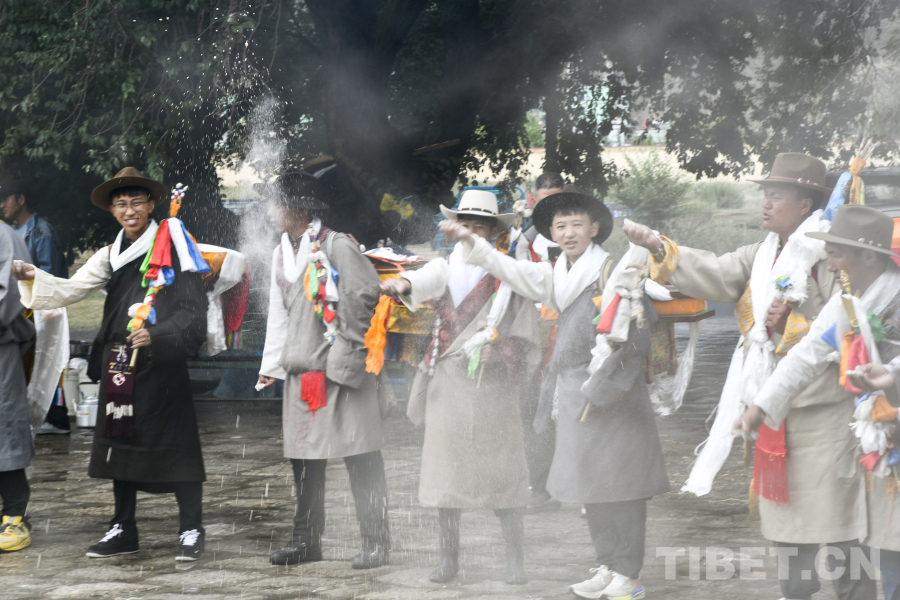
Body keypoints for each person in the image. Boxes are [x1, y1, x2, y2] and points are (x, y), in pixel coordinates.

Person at [625, 153, 874, 600]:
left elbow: (851, 324)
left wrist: (797, 322)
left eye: (776, 196)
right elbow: (718, 273)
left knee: (839, 520)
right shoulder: (761, 253)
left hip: (823, 412)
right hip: (770, 408)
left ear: (805, 204)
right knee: (786, 523)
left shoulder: (828, 256)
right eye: (765, 195)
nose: (766, 204)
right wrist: (660, 248)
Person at [441, 189, 668, 599]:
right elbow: (509, 269)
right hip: (575, 393)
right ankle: (607, 564)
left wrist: (600, 389)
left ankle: (629, 575)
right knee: (591, 485)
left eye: (577, 224)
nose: (568, 233)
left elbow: (635, 340)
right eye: (560, 226)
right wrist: (472, 241)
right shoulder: (556, 275)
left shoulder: (614, 272)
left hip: (612, 392)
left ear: (594, 228)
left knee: (623, 487)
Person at [14, 167, 209, 561]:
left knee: (176, 447)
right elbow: (73, 289)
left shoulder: (173, 246)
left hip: (160, 361)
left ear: (151, 205)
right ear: (112, 210)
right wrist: (33, 275)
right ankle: (123, 527)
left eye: (136, 202)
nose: (129, 210)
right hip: (121, 361)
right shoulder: (111, 253)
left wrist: (158, 334)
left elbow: (193, 309)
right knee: (120, 443)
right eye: (121, 204)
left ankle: (191, 528)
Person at [380, 190, 541, 585]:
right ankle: (448, 560)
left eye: (479, 227)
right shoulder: (444, 265)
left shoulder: (507, 273)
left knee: (504, 475)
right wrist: (403, 282)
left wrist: (500, 353)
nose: (470, 232)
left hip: (493, 387)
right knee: (445, 477)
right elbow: (425, 278)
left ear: (492, 232)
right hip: (448, 383)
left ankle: (515, 560)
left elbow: (526, 334)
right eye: (464, 225)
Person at [735, 204, 895, 600]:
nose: (831, 262)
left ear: (869, 257)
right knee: (885, 544)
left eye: (837, 254)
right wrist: (761, 407)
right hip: (883, 439)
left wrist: (893, 374)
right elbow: (805, 355)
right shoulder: (846, 303)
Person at [256, 172, 390, 570]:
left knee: (360, 456)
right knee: (304, 462)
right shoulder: (281, 253)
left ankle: (377, 541)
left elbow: (365, 295)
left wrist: (345, 353)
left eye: (275, 203)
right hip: (303, 371)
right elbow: (278, 313)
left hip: (341, 369)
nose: (269, 211)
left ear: (298, 209)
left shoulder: (337, 245)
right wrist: (271, 366)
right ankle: (306, 541)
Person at [0, 179, 72, 435]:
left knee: (48, 360)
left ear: (21, 200)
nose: (2, 205)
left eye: (6, 199)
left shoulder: (41, 232)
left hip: (44, 309)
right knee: (30, 364)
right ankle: (36, 416)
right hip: (24, 310)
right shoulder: (14, 231)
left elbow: (48, 276)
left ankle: (58, 419)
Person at [0, 223, 35, 552]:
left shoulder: (3, 236)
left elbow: (11, 291)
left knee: (5, 429)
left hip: (1, 347)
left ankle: (15, 514)